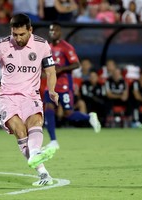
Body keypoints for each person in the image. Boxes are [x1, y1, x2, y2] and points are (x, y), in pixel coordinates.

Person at [0, 13, 58, 186]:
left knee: (36, 121)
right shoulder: (2, 46)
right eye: (15, 35)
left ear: (30, 30)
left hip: (31, 96)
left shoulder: (42, 45)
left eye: (22, 34)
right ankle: (42, 170)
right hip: (7, 98)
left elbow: (50, 71)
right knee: (20, 131)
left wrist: (51, 90)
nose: (18, 38)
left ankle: (38, 163)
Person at [43, 22, 101, 150]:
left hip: (64, 85)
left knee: (68, 114)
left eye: (55, 30)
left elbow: (76, 64)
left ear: (60, 32)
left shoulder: (66, 47)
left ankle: (89, 116)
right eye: (51, 30)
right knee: (48, 108)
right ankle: (53, 141)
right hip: (51, 85)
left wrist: (61, 69)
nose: (53, 33)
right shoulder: (47, 47)